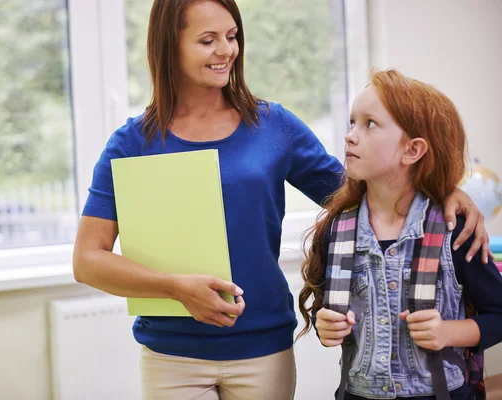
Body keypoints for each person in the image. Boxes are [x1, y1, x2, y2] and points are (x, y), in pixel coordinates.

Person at [72, 0, 490, 398]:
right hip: (171, 355)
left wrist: (444, 189)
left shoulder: (273, 126)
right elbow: (88, 260)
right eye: (207, 40)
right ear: (170, 45)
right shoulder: (132, 144)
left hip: (262, 348)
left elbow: (361, 192)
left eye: (232, 36)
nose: (226, 50)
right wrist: (175, 288)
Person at [299, 69, 502, 400]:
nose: (350, 135)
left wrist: (449, 332)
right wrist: (326, 327)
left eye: (370, 124)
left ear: (413, 150)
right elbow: (330, 317)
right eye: (352, 123)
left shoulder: (455, 231)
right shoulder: (337, 230)